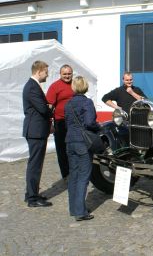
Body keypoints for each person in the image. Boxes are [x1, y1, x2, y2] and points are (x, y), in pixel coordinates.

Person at [64, 76, 99, 221]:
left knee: (74, 175)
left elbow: (67, 123)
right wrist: (98, 127)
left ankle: (75, 208)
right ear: (85, 87)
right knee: (83, 176)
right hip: (82, 142)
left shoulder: (68, 104)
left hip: (70, 141)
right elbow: (90, 122)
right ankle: (80, 211)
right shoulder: (87, 102)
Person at [22, 60, 53, 207]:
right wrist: (51, 108)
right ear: (39, 71)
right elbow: (42, 109)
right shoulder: (32, 87)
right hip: (36, 131)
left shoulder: (33, 86)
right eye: (46, 72)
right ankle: (32, 198)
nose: (47, 75)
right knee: (35, 165)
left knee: (35, 164)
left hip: (37, 130)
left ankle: (31, 193)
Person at [46, 64, 73, 179]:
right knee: (62, 149)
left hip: (74, 122)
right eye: (65, 74)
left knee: (74, 147)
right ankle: (66, 174)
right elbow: (49, 106)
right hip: (60, 121)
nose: (67, 76)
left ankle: (75, 171)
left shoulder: (75, 84)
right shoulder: (55, 86)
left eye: (69, 73)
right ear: (60, 74)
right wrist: (49, 122)